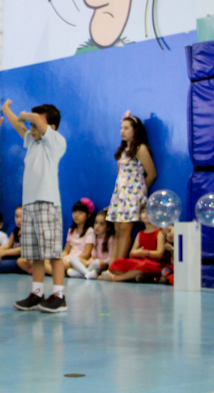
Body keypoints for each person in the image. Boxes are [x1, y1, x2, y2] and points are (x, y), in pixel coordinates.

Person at [3, 99, 68, 313]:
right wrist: (6, 110)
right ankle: (37, 293)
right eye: (30, 125)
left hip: (47, 203)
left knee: (53, 253)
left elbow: (32, 120)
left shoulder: (56, 142)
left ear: (52, 127)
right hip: (30, 204)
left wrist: (24, 114)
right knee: (36, 254)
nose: (30, 128)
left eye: (35, 124)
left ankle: (59, 295)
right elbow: (19, 125)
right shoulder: (32, 142)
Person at [108, 114, 156, 261]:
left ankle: (119, 265)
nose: (122, 131)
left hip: (132, 195)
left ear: (135, 130)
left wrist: (139, 192)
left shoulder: (140, 149)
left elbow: (152, 174)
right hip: (120, 195)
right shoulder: (123, 151)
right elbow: (120, 174)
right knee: (117, 230)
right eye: (121, 128)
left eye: (126, 128)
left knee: (125, 230)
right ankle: (112, 266)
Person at [100, 206, 171, 282]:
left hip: (154, 264)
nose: (145, 214)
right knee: (116, 263)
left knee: (144, 265)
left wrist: (144, 253)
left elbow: (160, 254)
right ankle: (138, 276)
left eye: (148, 211)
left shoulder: (159, 233)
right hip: (140, 263)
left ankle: (117, 278)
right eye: (143, 212)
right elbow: (132, 253)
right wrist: (136, 253)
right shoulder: (140, 234)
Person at [68, 208, 113, 279]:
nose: (97, 226)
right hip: (93, 264)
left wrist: (98, 261)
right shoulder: (96, 238)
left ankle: (85, 273)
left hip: (102, 265)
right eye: (96, 223)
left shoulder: (110, 239)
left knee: (97, 262)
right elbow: (93, 255)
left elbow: (110, 259)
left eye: (101, 224)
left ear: (108, 227)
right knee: (72, 261)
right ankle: (88, 273)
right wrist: (90, 262)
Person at [60, 199, 97, 279]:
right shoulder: (71, 230)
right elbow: (66, 250)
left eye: (80, 212)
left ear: (88, 215)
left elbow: (87, 254)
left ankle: (58, 273)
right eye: (74, 212)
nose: (76, 215)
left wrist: (69, 259)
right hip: (68, 259)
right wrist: (62, 257)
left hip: (78, 260)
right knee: (47, 261)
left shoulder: (89, 231)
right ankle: (61, 273)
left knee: (58, 265)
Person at [0, 205, 25, 274]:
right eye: (17, 216)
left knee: (1, 265)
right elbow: (8, 245)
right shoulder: (15, 230)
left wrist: (4, 252)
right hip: (12, 255)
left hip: (19, 259)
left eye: (22, 217)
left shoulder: (28, 232)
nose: (19, 220)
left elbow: (21, 250)